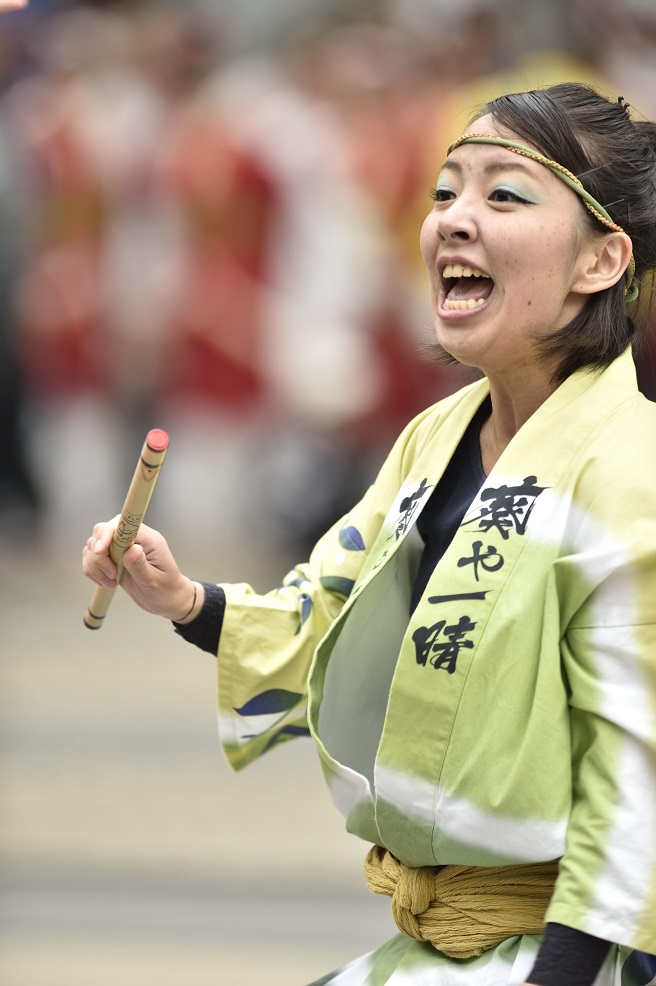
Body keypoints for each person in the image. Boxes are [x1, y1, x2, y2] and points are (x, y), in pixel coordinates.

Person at [83, 82, 656, 986]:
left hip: (574, 956)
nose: (453, 221)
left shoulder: (633, 470)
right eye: (445, 192)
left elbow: (640, 786)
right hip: (442, 947)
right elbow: (328, 613)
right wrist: (184, 600)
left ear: (601, 261)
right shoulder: (435, 436)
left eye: (504, 194)